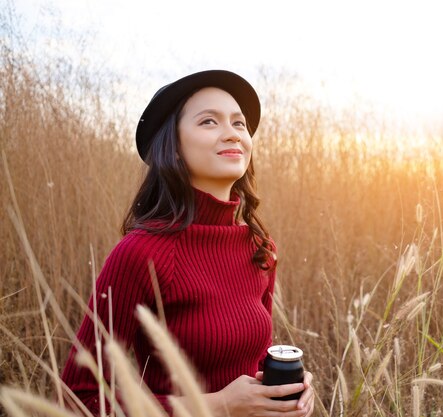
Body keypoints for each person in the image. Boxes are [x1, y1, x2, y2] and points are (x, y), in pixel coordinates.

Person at [61, 70, 315, 417]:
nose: (232, 133)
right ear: (174, 148)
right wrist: (220, 405)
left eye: (239, 124)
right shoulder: (140, 253)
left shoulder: (260, 247)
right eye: (209, 121)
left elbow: (255, 362)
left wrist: (287, 391)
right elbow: (78, 398)